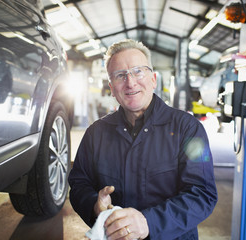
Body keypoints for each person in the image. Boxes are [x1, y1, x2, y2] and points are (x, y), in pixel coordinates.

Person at [68, 39, 217, 240]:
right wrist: (94, 205)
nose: (130, 82)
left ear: (153, 79)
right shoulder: (96, 133)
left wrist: (149, 222)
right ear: (111, 88)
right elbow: (79, 183)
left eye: (138, 71)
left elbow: (202, 194)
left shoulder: (188, 128)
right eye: (120, 75)